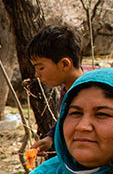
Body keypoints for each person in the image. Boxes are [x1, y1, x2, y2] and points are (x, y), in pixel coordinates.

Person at [28, 25, 85, 156]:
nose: (37, 74)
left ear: (65, 64)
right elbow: (65, 120)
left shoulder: (89, 93)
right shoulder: (68, 89)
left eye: (41, 68)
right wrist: (51, 138)